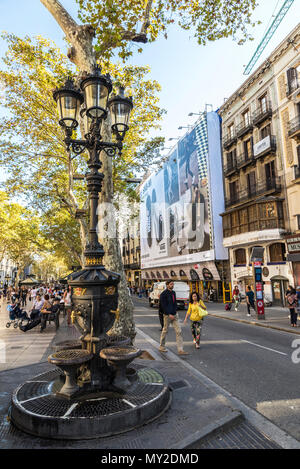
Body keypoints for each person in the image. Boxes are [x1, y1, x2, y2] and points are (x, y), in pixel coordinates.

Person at [158, 280, 188, 356]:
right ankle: (161, 346)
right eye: (171, 284)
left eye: (173, 284)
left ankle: (180, 349)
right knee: (165, 331)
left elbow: (174, 303)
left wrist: (175, 311)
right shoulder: (163, 294)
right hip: (167, 316)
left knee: (179, 331)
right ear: (167, 285)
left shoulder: (173, 293)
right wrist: (168, 314)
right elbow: (163, 306)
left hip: (175, 315)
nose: (172, 285)